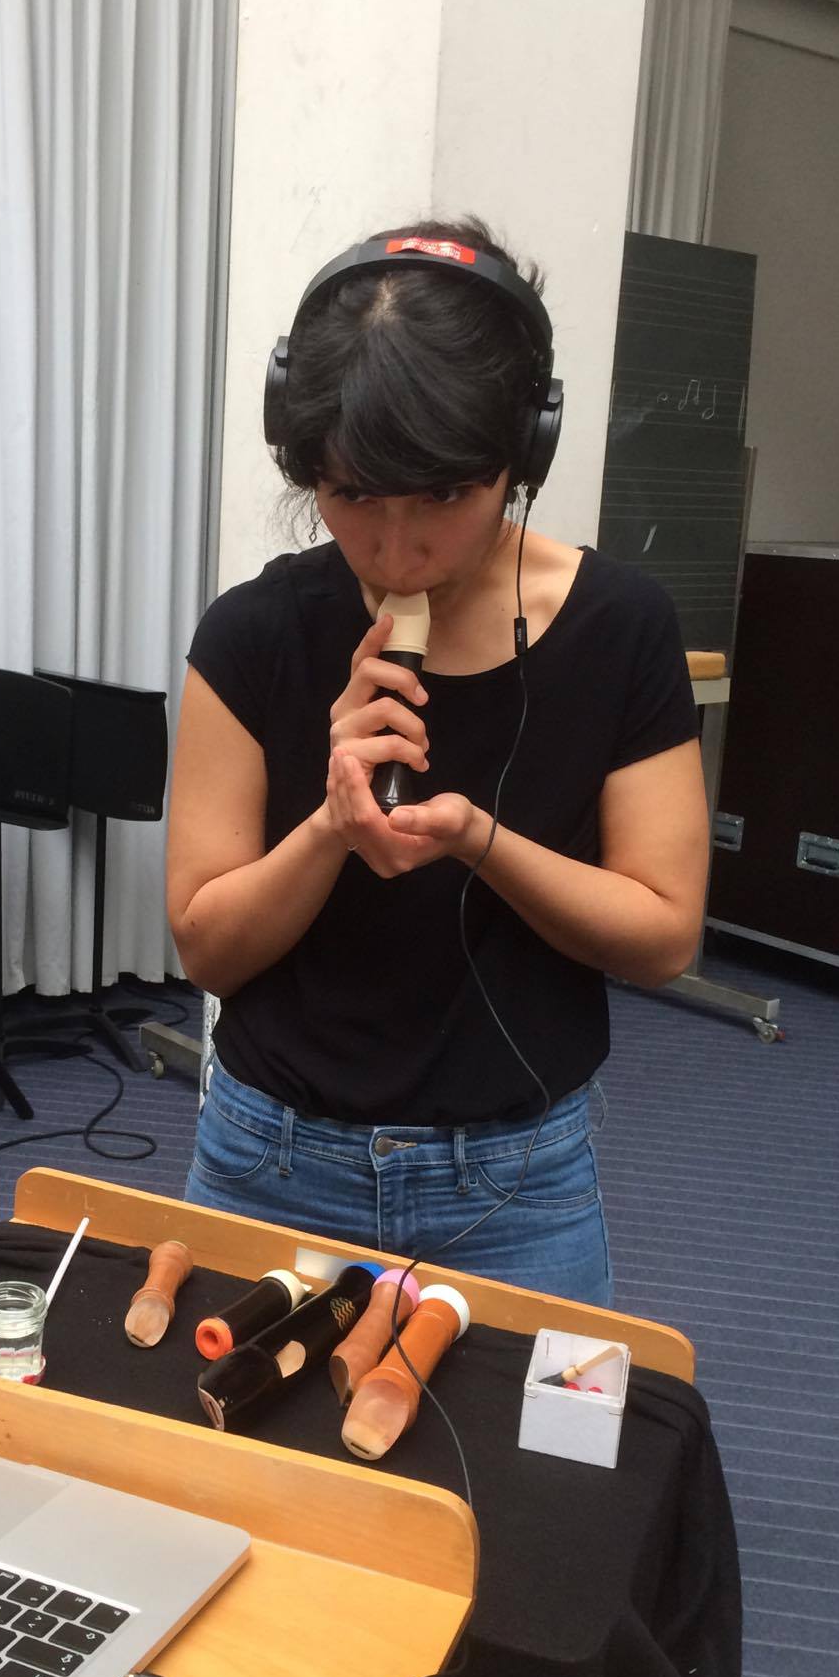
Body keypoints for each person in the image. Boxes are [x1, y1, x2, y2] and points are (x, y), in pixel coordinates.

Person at [165, 218, 709, 1304]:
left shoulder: (621, 628)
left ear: (524, 457)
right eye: (352, 497)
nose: (396, 549)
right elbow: (206, 951)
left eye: (445, 500)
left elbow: (662, 938)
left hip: (518, 1183)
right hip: (268, 1158)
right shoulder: (253, 633)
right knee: (219, 1458)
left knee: (533, 1477)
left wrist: (477, 839)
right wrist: (327, 826)